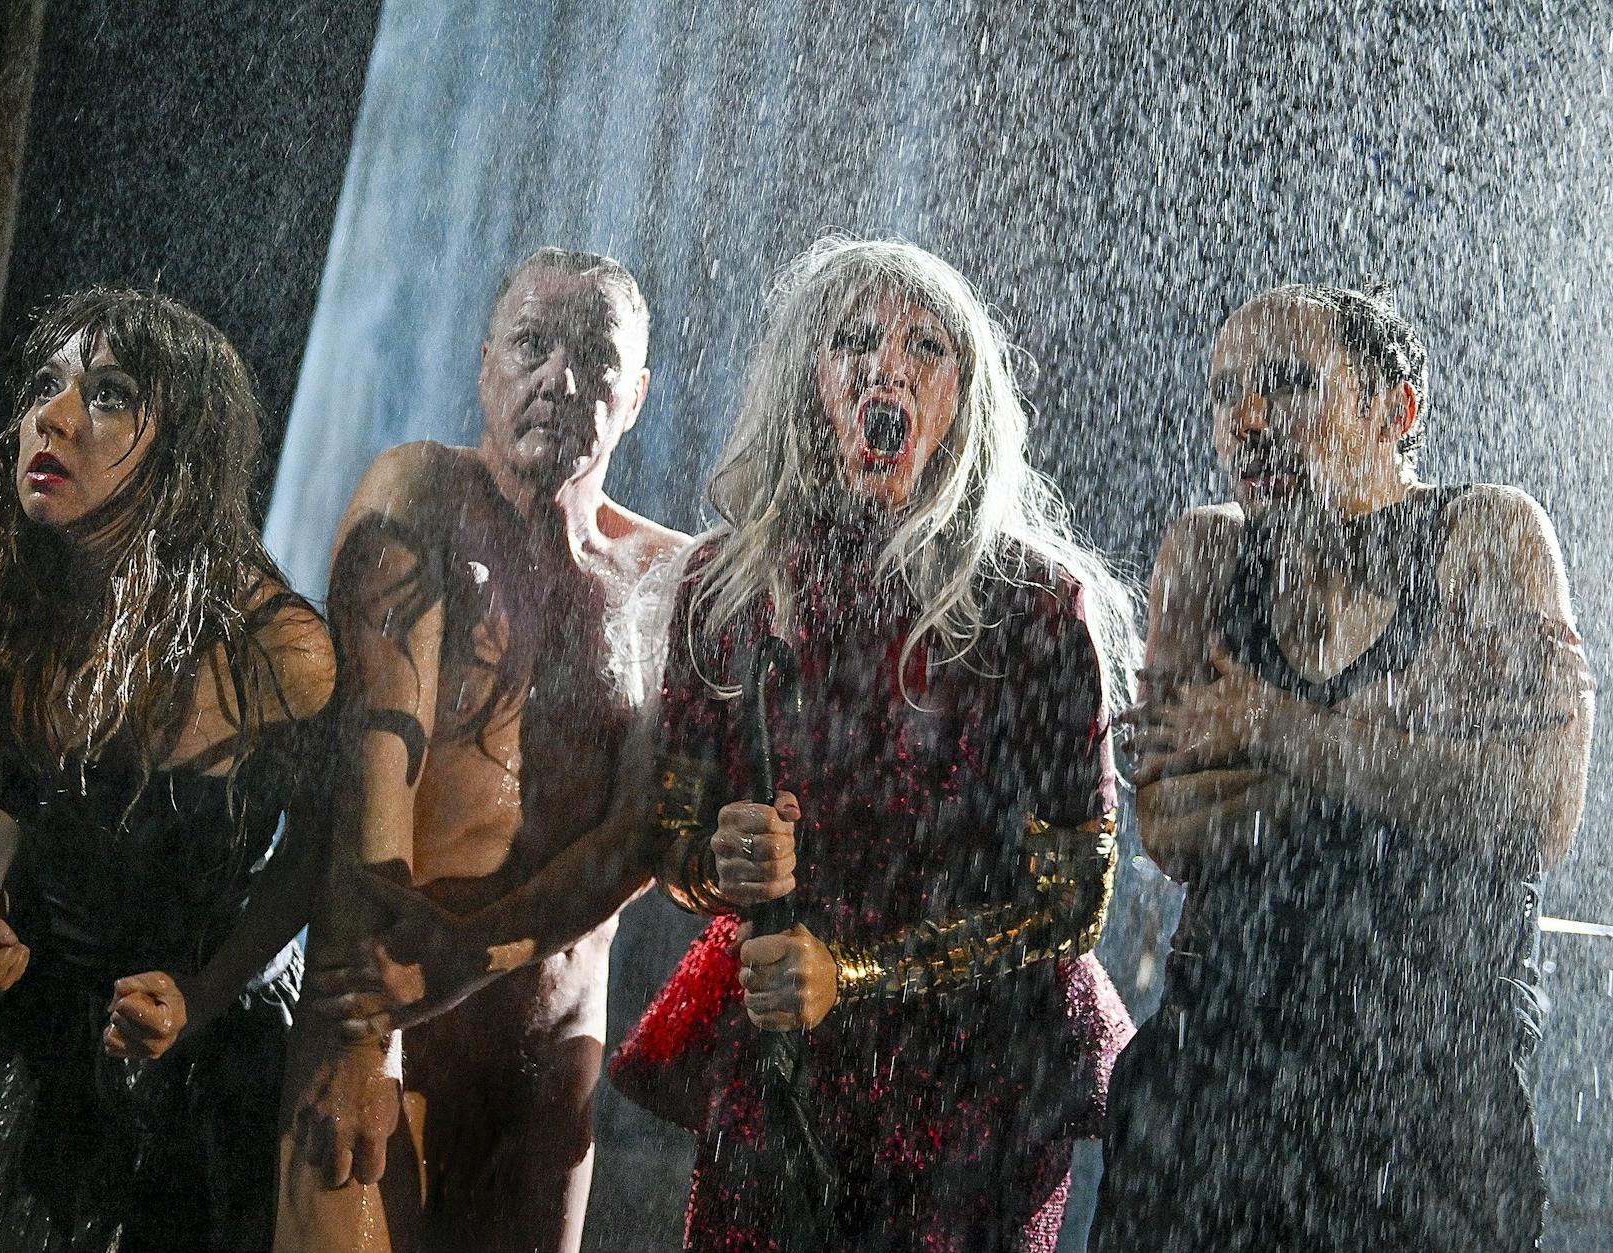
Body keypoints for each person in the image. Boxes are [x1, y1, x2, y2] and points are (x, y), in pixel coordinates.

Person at [334, 237, 1141, 1251]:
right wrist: (714, 857)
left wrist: (848, 974)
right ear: (811, 378)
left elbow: (1071, 900)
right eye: (852, 340)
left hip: (975, 1087)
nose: (883, 368)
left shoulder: (1032, 606)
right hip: (777, 1060)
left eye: (923, 347)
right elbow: (672, 834)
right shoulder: (726, 584)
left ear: (961, 397)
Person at [1090, 283, 1594, 1251]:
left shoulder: (1485, 532)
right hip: (1213, 1084)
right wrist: (1392, 727)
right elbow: (1174, 827)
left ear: (1391, 409)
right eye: (1222, 392)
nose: (1244, 419)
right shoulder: (1204, 550)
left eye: (1283, 383)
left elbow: (1532, 811)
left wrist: (1263, 725)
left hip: (1426, 1099)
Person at [0, 289, 335, 1253]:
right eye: (46, 385)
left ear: (186, 450)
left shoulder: (276, 647)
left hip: (182, 1056)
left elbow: (315, 855)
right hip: (14, 1030)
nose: (54, 417)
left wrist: (206, 990)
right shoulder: (20, 592)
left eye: (108, 394)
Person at [276, 248, 688, 1253]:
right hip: (381, 1015)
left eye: (595, 358)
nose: (560, 378)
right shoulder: (421, 489)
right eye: (532, 345)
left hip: (544, 1057)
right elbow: (374, 757)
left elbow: (641, 832)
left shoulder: (670, 584)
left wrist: (475, 951)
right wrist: (371, 1037)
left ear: (634, 395)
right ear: (484, 363)